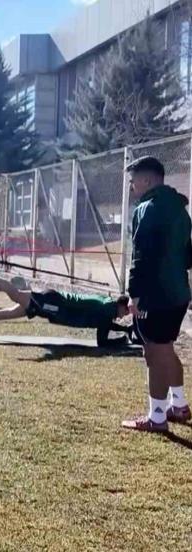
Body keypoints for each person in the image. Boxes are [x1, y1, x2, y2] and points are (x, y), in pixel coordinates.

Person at [119, 157, 192, 433]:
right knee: (166, 348)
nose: (131, 187)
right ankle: (179, 405)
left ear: (147, 180)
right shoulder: (180, 209)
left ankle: (157, 418)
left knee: (154, 352)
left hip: (156, 296)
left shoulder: (146, 208)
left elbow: (141, 256)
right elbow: (187, 255)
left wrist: (135, 294)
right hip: (179, 293)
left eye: (133, 181)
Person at [0, 267, 134, 347]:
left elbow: (105, 324)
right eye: (125, 311)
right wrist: (123, 335)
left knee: (8, 313)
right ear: (120, 304)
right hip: (54, 303)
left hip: (54, 303)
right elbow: (102, 338)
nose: (123, 316)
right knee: (15, 295)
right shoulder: (108, 308)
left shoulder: (108, 305)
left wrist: (125, 330)